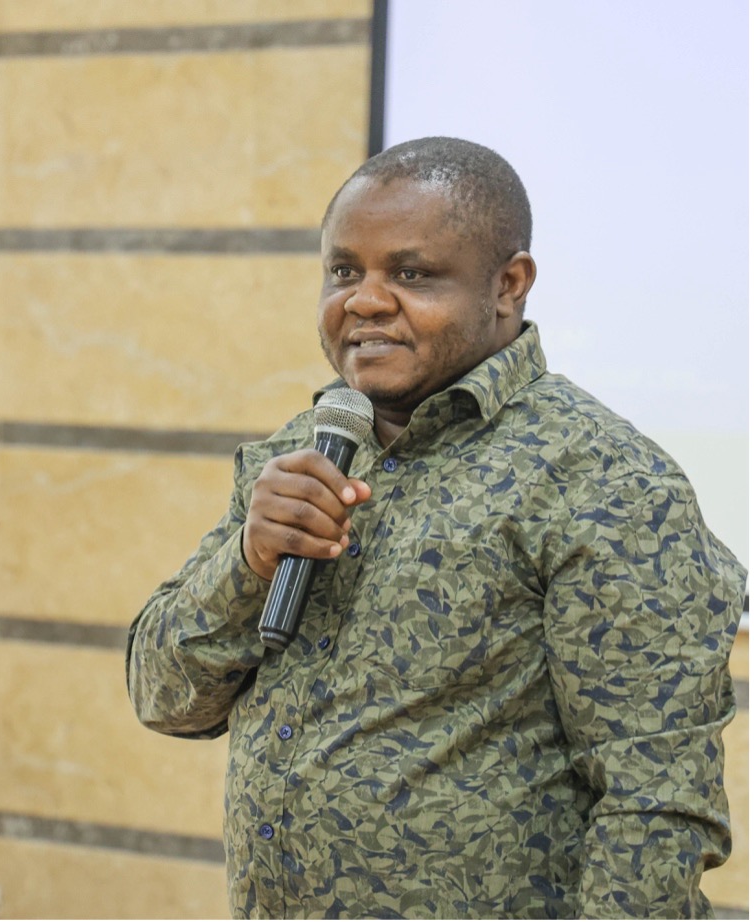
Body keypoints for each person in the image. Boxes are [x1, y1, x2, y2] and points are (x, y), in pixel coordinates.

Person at [125, 136, 745, 919]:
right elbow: (165, 698)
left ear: (508, 285)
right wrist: (246, 564)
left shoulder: (604, 481)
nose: (365, 300)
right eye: (344, 270)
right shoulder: (301, 452)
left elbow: (655, 808)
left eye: (412, 274)